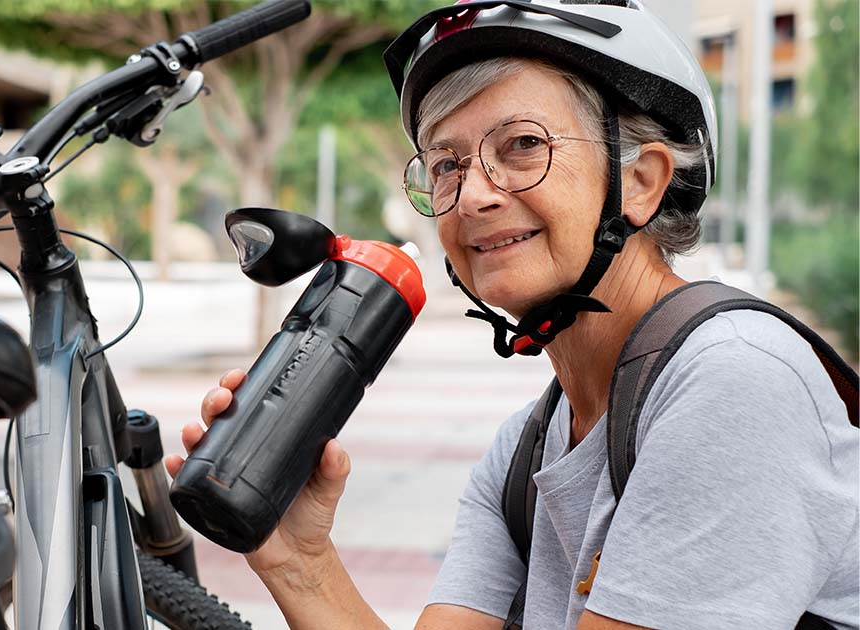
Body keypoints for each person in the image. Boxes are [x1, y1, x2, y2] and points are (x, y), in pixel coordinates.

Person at [165, 1, 860, 628]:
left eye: (523, 146)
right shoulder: (526, 450)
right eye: (445, 164)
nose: (472, 196)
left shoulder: (734, 384)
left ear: (642, 182)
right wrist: (299, 558)